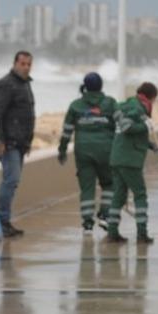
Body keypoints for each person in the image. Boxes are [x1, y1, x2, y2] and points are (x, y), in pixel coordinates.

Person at [58, 72, 117, 232]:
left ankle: (87, 222)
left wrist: (62, 149)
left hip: (83, 151)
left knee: (87, 187)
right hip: (106, 150)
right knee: (109, 183)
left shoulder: (76, 105)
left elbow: (67, 131)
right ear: (101, 86)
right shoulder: (110, 103)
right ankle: (104, 214)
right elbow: (120, 125)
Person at [105, 81, 158, 244]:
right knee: (140, 194)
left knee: (119, 196)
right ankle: (142, 234)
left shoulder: (128, 105)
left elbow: (133, 135)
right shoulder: (137, 107)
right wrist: (145, 126)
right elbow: (128, 128)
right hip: (129, 160)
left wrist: (152, 146)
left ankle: (112, 232)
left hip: (117, 158)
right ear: (151, 97)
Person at [0, 50, 35, 237]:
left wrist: (28, 142)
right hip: (9, 142)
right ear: (15, 63)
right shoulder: (6, 84)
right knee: (10, 181)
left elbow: (27, 115)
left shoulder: (25, 85)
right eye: (23, 64)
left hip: (20, 144)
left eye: (29, 64)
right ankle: (2, 221)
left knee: (13, 182)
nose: (26, 67)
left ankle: (5, 221)